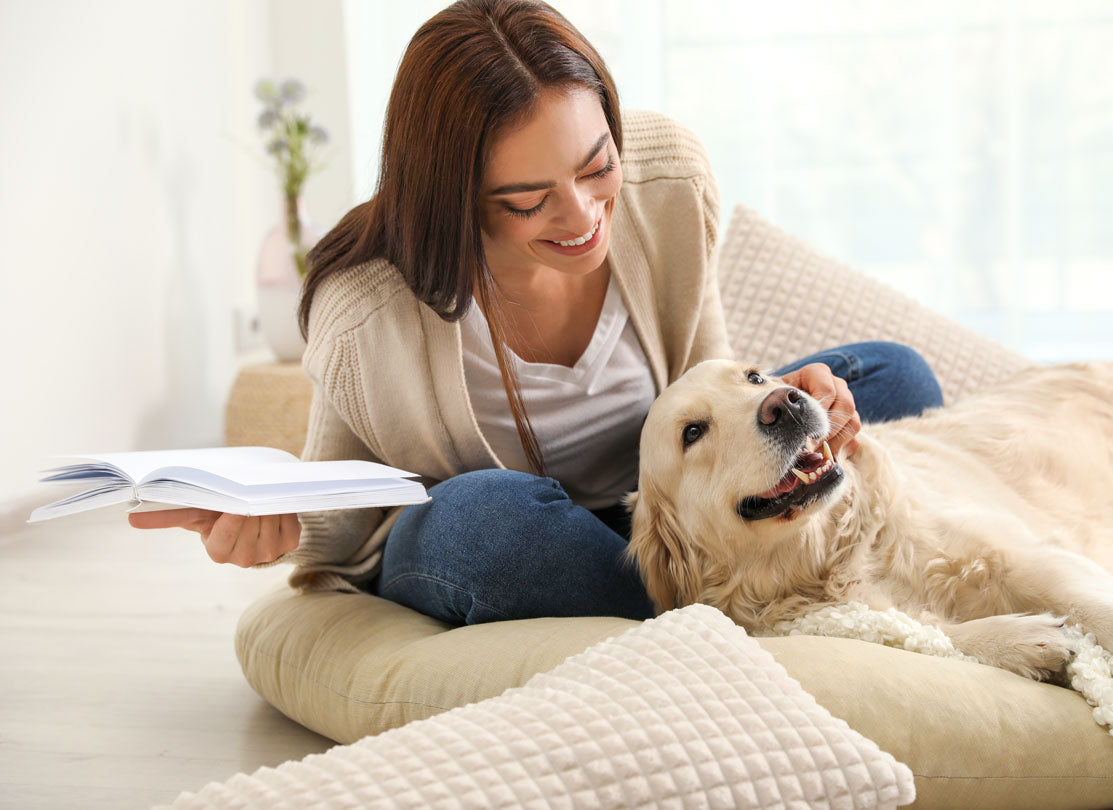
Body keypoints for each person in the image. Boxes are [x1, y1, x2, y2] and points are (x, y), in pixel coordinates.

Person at [129, 0, 943, 625]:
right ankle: (735, 609)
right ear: (453, 199)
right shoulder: (368, 311)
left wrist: (783, 414)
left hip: (660, 502)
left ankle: (701, 600)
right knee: (485, 523)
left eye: (597, 167)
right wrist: (272, 527)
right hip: (520, 531)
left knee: (893, 378)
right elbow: (342, 518)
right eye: (527, 201)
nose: (583, 215)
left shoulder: (667, 180)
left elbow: (705, 375)